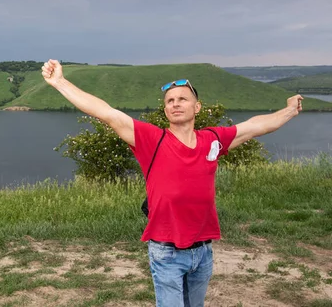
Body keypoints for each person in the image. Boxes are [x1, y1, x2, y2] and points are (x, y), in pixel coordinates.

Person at [41, 59, 303, 307]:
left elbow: (255, 126)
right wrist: (60, 82)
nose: (175, 104)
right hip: (166, 251)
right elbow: (107, 113)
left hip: (203, 252)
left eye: (182, 99)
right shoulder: (151, 139)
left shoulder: (213, 139)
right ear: (165, 110)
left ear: (196, 107)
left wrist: (290, 109)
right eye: (170, 101)